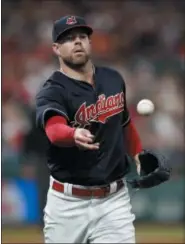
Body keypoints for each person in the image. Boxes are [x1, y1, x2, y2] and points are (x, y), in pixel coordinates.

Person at [36, 15, 170, 243]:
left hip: (113, 202)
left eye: (82, 36)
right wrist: (73, 134)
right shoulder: (53, 90)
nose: (77, 42)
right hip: (68, 205)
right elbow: (54, 129)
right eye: (69, 38)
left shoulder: (113, 78)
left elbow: (124, 122)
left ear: (90, 42)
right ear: (56, 48)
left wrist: (138, 154)